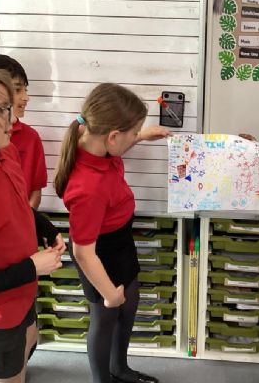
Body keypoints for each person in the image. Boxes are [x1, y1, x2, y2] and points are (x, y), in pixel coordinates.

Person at [54, 83, 171, 383]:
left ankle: (119, 368)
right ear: (113, 137)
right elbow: (83, 252)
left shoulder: (93, 140)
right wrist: (108, 293)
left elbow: (119, 140)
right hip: (98, 253)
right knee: (105, 317)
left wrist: (142, 135)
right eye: (133, 133)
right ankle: (101, 379)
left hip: (120, 241)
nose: (135, 136)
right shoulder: (88, 189)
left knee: (129, 304)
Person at [0, 68, 65, 382]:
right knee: (8, 375)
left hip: (23, 293)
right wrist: (32, 266)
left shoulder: (5, 151)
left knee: (29, 340)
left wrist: (45, 228)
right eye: (1, 109)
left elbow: (19, 205)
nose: (12, 119)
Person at [0, 53, 47, 209]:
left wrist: (26, 217)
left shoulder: (25, 141)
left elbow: (34, 191)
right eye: (17, 89)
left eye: (25, 89)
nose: (26, 97)